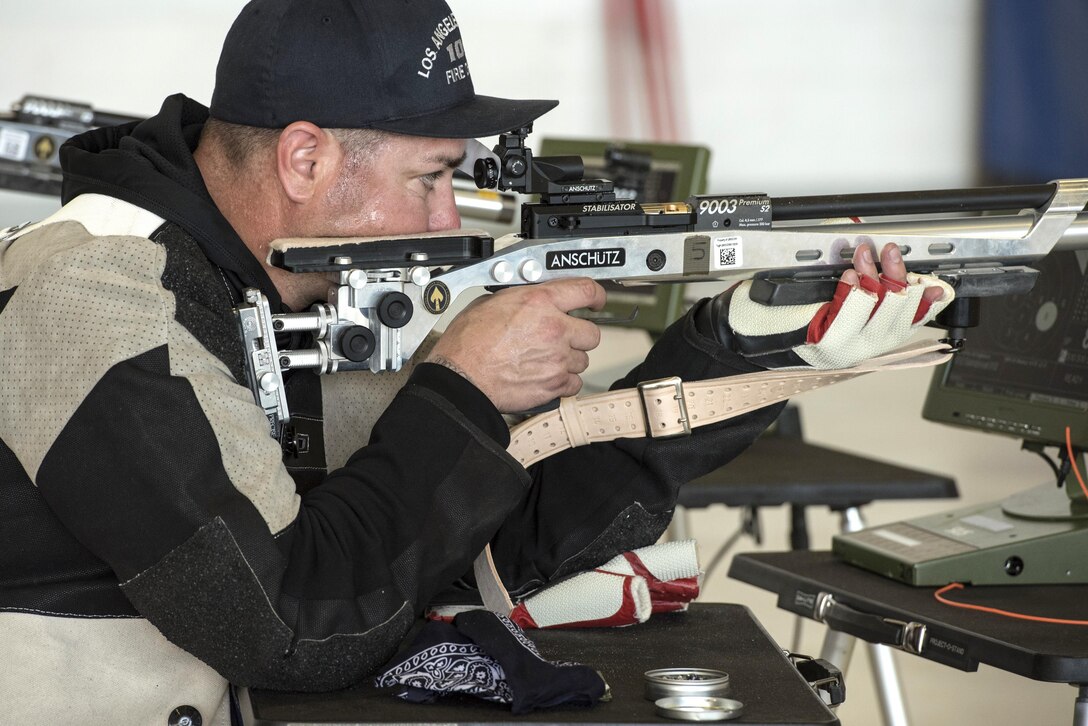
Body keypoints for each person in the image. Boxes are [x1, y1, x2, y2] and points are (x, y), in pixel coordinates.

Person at [0, 1, 951, 723]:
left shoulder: (277, 287)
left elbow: (472, 552)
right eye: (430, 176)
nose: (447, 221)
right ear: (304, 159)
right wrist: (462, 388)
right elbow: (291, 622)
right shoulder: (95, 298)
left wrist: (735, 349)